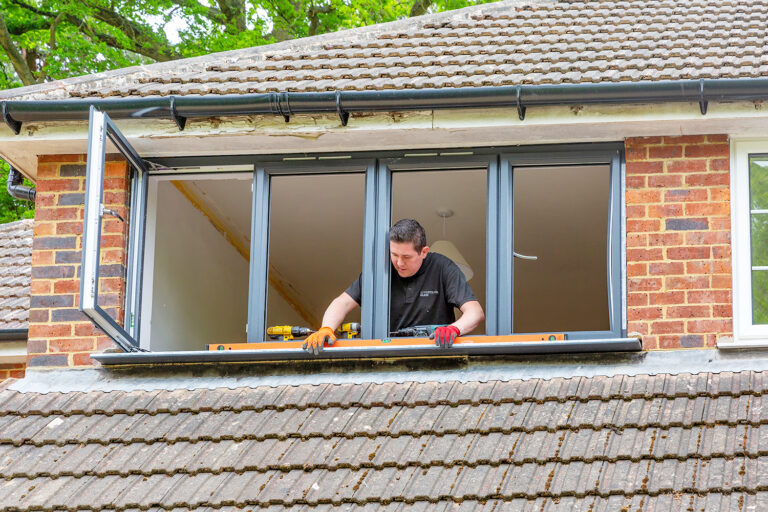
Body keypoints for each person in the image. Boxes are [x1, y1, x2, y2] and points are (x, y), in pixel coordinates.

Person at [303, 218, 485, 354]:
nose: (399, 263)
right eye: (394, 255)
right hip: (390, 357)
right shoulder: (380, 273)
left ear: (424, 252)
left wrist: (454, 329)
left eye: (406, 257)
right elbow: (342, 303)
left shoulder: (443, 268)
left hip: (435, 355)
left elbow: (475, 313)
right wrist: (326, 328)